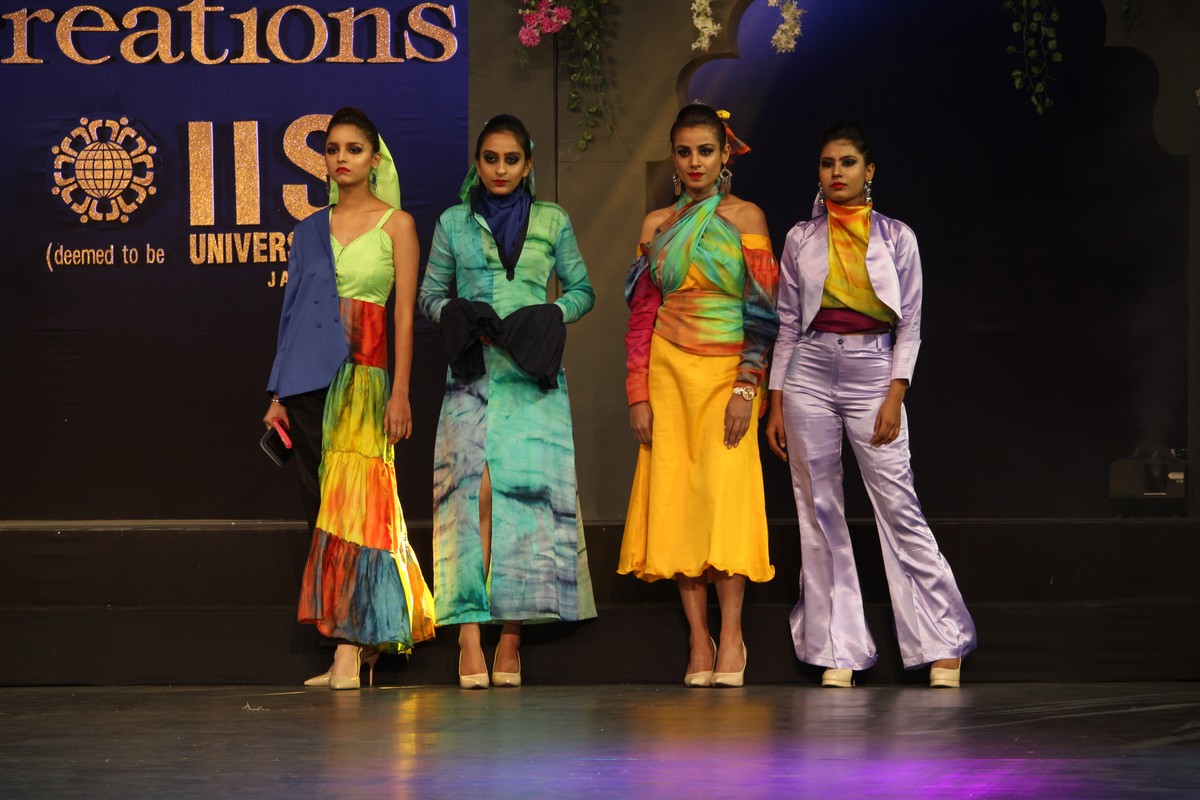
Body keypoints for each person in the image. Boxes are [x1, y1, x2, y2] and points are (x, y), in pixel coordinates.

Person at [764, 120, 976, 688]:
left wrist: (895, 392)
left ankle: (943, 640)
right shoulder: (800, 238)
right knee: (818, 509)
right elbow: (787, 325)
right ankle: (837, 648)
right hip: (808, 371)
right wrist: (775, 400)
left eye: (848, 162)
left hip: (873, 372)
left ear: (869, 170)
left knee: (898, 504)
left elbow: (910, 326)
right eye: (827, 163)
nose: (836, 172)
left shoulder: (897, 237)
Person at [417, 114, 597, 689]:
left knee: (525, 502)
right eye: (490, 159)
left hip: (533, 376)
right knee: (471, 498)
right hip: (473, 374)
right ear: (477, 163)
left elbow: (583, 290)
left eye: (511, 159)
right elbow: (428, 295)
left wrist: (550, 314)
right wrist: (457, 313)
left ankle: (512, 637)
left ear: (528, 163)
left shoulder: (552, 220)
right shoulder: (453, 222)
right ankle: (469, 634)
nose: (500, 169)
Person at [264, 106, 435, 690]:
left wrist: (401, 391)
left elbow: (405, 316)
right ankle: (347, 643)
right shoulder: (309, 229)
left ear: (374, 158)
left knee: (362, 508)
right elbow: (291, 313)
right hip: (308, 386)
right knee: (324, 512)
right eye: (332, 149)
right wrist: (277, 393)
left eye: (353, 149)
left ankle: (353, 647)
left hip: (365, 380)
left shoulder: (398, 225)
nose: (341, 158)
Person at [618, 103, 779, 688]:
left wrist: (747, 387)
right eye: (684, 152)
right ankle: (697, 637)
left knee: (726, 502)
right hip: (667, 374)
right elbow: (641, 315)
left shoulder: (748, 218)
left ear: (725, 153)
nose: (694, 162)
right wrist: (638, 392)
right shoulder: (657, 224)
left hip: (728, 376)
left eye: (705, 151)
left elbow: (764, 313)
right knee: (678, 501)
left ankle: (732, 633)